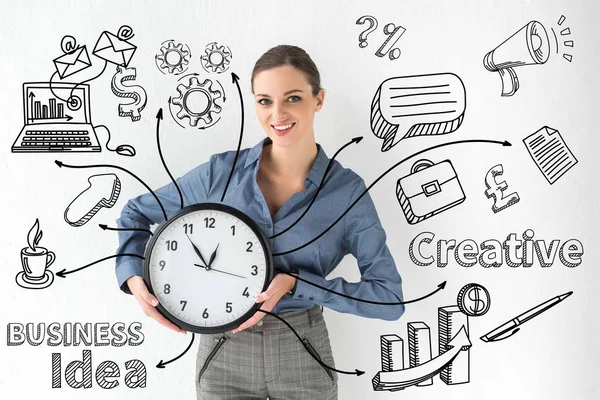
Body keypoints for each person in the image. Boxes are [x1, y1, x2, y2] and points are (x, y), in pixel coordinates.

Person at [115, 44, 404, 400]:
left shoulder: (346, 192)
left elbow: (389, 299)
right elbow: (136, 213)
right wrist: (133, 276)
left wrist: (296, 284)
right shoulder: (221, 173)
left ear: (319, 99)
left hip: (303, 351)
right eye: (264, 100)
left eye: (293, 98)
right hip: (223, 352)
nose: (277, 113)